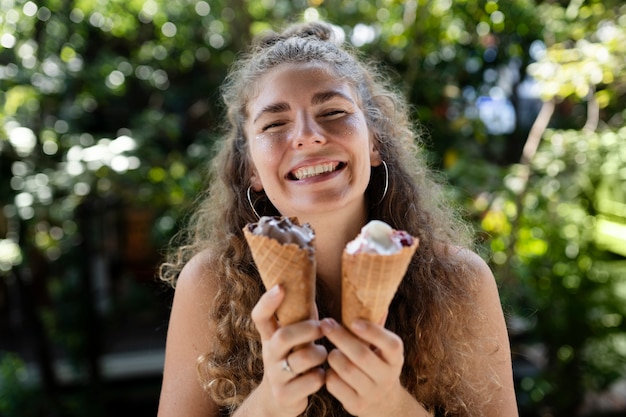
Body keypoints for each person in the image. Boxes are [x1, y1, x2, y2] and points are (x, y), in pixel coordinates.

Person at [157, 20, 518, 417]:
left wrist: (393, 407)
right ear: (251, 171)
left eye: (333, 111)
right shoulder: (209, 285)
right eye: (275, 123)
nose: (308, 136)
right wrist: (267, 406)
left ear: (374, 142)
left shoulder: (459, 281)